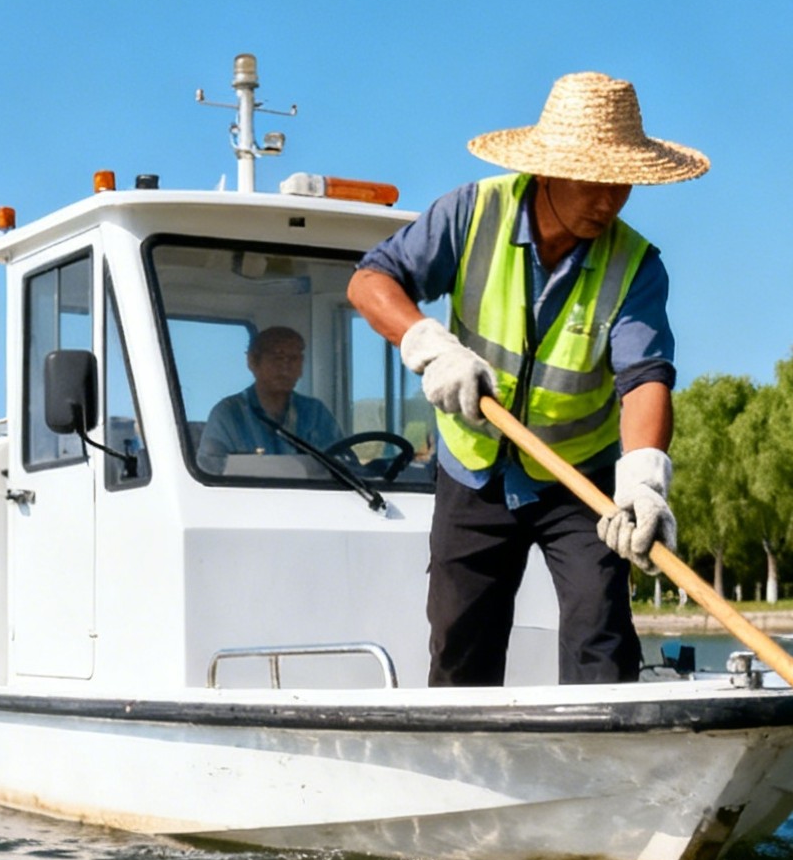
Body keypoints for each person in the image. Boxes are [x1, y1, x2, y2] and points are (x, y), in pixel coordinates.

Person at [348, 72, 707, 686]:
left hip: (579, 474)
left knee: (601, 628)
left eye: (622, 183)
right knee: (460, 640)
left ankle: (603, 742)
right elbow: (370, 281)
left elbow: (645, 377)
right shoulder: (471, 214)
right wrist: (431, 347)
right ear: (546, 172)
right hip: (475, 466)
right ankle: (462, 746)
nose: (609, 201)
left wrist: (644, 480)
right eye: (594, 181)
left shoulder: (636, 266)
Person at [195, 325, 342, 473]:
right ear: (252, 361)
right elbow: (211, 470)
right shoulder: (229, 414)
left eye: (294, 359)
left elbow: (343, 465)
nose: (286, 367)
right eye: (277, 358)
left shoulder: (315, 413)